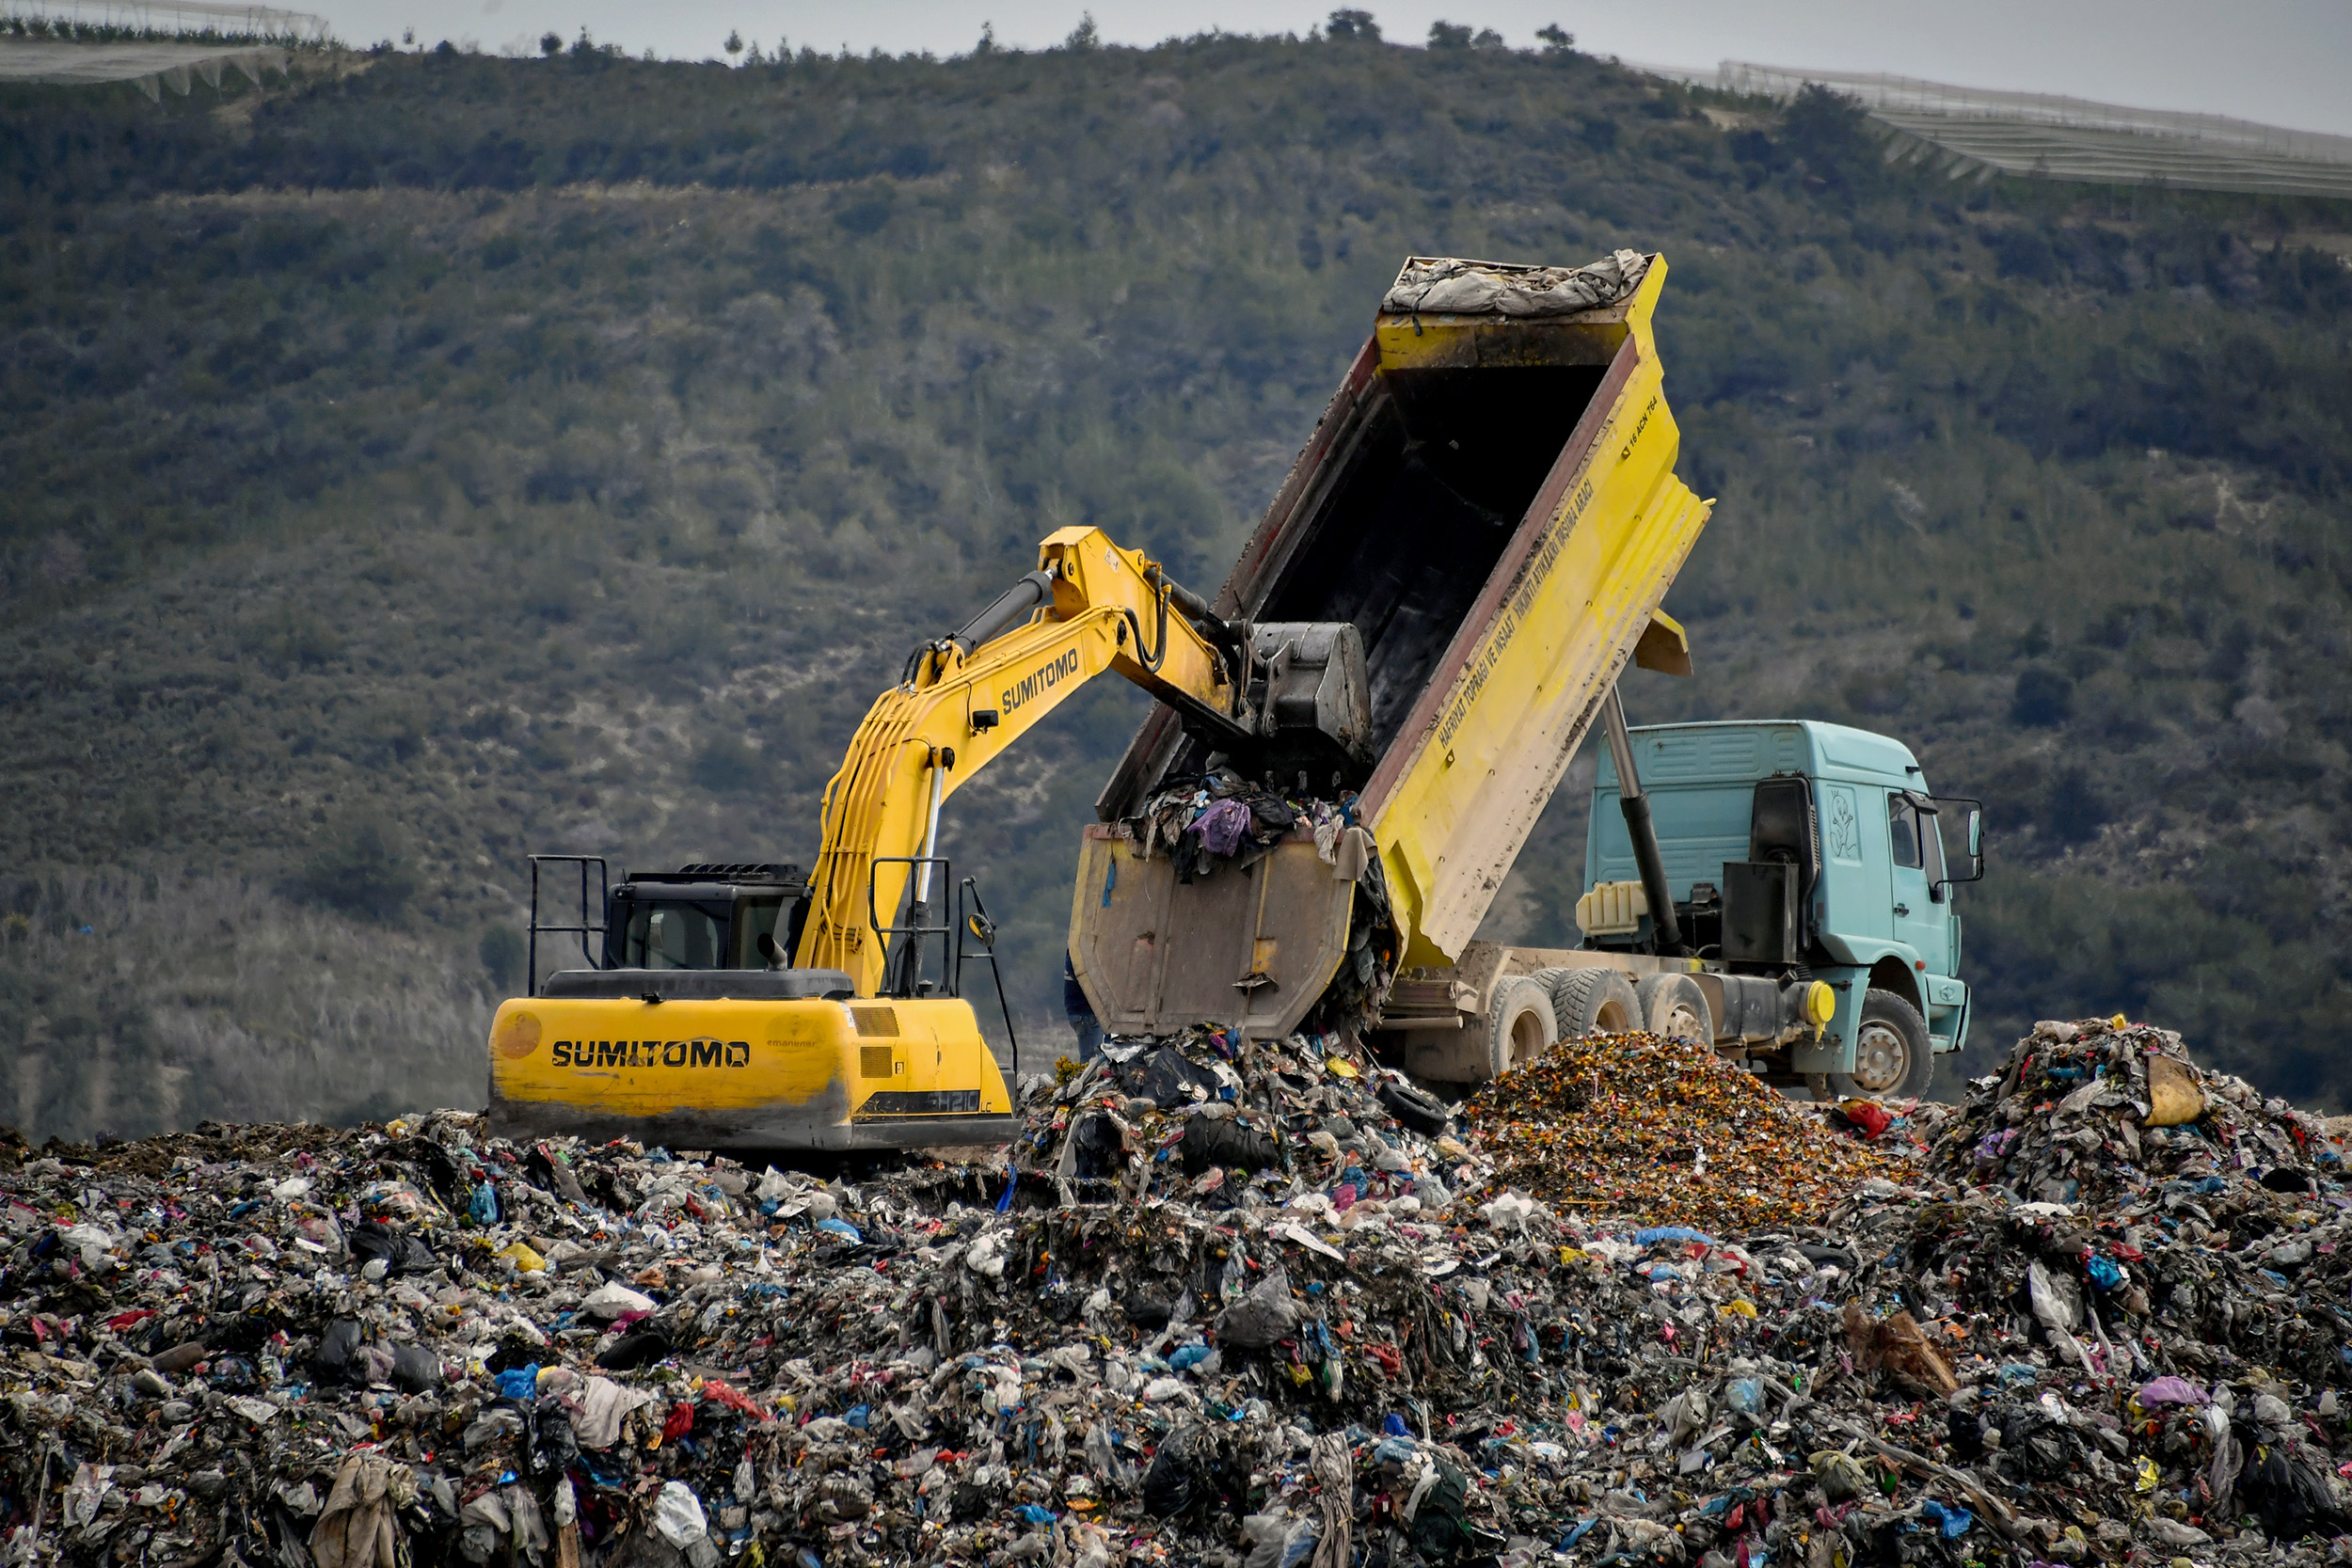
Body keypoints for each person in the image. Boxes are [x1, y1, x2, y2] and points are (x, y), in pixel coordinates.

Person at [1062, 951, 1104, 1061]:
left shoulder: (1072, 956)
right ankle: (1087, 1077)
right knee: (1092, 1058)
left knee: (1090, 1055)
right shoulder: (1078, 957)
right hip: (1085, 1012)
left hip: (1077, 1012)